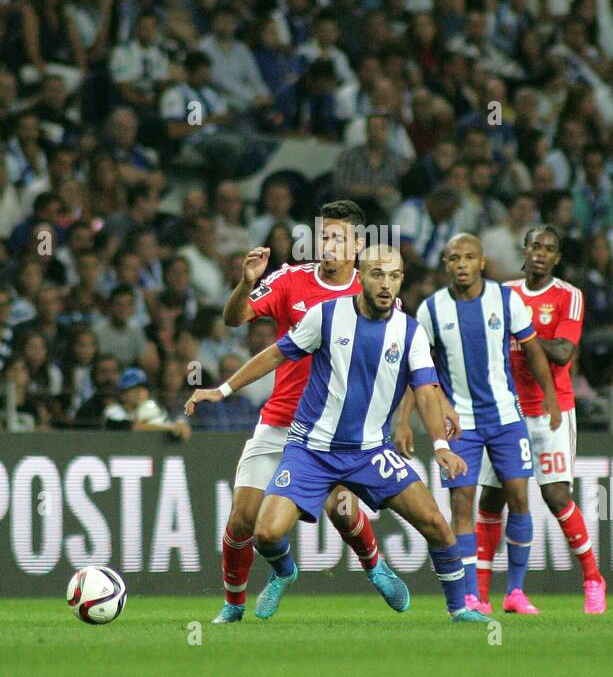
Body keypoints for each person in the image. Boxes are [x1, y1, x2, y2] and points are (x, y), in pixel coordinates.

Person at [186, 243, 485, 623]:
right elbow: (276, 353)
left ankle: (460, 609)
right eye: (377, 274)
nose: (385, 284)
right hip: (311, 449)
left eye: (393, 276)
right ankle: (283, 571)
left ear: (401, 281)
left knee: (436, 525)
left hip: (370, 452)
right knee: (264, 533)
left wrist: (441, 445)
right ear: (360, 275)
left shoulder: (409, 332)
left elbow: (426, 391)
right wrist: (223, 389)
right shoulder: (326, 315)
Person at [208, 199, 407, 623]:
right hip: (281, 418)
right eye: (323, 235)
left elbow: (401, 357)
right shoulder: (290, 279)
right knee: (244, 520)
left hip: (334, 429)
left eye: (337, 236)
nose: (327, 243)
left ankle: (376, 568)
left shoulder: (372, 290)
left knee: (342, 508)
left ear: (357, 243)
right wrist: (246, 284)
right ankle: (237, 602)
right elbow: (234, 318)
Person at [403, 232, 561, 615]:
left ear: (482, 262)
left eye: (469, 257)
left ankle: (516, 592)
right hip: (459, 424)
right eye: (454, 258)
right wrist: (404, 420)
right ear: (446, 264)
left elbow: (534, 352)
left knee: (520, 497)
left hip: (507, 417)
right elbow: (418, 367)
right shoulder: (432, 309)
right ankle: (472, 595)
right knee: (462, 503)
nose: (461, 264)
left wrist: (551, 398)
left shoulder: (506, 300)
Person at [470, 224, 606, 614]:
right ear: (524, 250)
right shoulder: (502, 294)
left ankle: (593, 578)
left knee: (556, 496)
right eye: (535, 247)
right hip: (506, 412)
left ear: (557, 258)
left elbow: (563, 353)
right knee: (492, 498)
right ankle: (483, 596)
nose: (541, 254)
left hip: (551, 410)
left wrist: (524, 334)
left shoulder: (569, 297)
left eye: (549, 249)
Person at [102, 366, 191, 438]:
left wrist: (179, 425)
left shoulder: (151, 408)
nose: (143, 392)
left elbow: (167, 425)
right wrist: (170, 427)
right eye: (137, 389)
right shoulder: (113, 410)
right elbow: (134, 428)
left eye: (145, 388)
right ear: (124, 394)